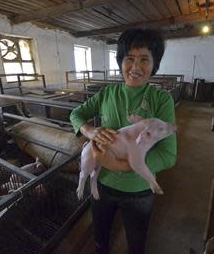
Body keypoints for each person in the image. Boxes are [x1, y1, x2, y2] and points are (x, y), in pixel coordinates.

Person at [70, 28, 177, 254]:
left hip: (139, 191)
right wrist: (89, 131)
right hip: (102, 186)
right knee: (100, 240)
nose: (135, 67)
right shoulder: (107, 93)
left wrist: (119, 165)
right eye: (129, 58)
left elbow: (168, 155)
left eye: (144, 59)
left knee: (136, 246)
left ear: (154, 64)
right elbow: (76, 115)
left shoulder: (161, 100)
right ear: (121, 61)